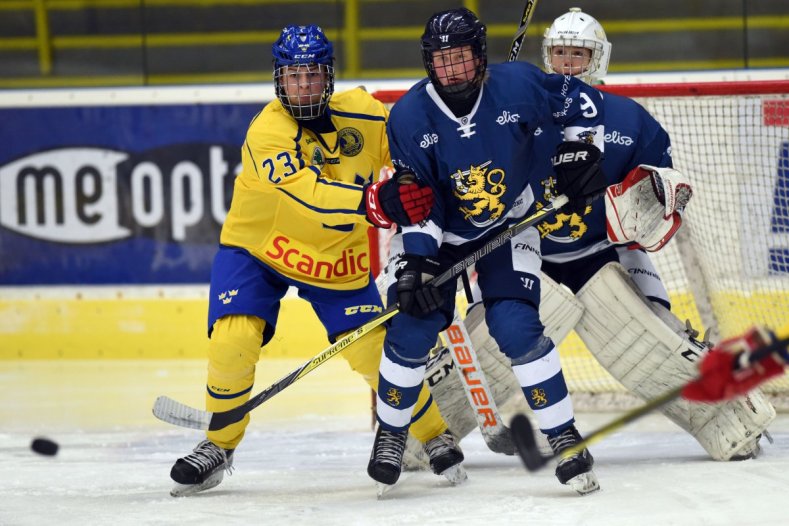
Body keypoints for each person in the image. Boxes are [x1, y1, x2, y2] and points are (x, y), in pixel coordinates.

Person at [436, 7, 774, 463]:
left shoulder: (630, 121)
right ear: (546, 55)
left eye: (579, 53)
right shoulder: (511, 111)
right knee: (487, 356)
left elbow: (659, 201)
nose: (568, 63)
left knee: (652, 345)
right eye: (560, 53)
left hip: (603, 255)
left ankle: (728, 420)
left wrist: (651, 198)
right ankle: (425, 430)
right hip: (524, 255)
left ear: (599, 58)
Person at [168, 24, 465, 497]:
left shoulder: (365, 114)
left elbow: (412, 151)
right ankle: (218, 445)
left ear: (329, 77)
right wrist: (377, 201)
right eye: (293, 76)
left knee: (374, 352)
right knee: (234, 338)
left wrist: (438, 167)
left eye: (312, 75)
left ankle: (434, 434)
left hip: (334, 255)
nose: (302, 86)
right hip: (259, 247)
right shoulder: (267, 131)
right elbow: (307, 194)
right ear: (277, 79)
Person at [367, 7, 609, 496]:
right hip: (440, 235)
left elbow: (582, 101)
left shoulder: (520, 84)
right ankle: (390, 434)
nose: (450, 70)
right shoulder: (410, 116)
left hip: (510, 221)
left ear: (479, 57)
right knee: (413, 324)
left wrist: (583, 150)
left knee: (517, 326)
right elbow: (418, 203)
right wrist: (416, 262)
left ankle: (564, 436)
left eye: (459, 59)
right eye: (440, 61)